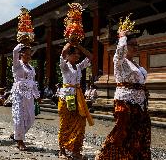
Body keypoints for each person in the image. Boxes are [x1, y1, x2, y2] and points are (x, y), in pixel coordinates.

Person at [96, 31, 151, 160]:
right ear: (125, 46)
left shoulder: (136, 64)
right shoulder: (120, 62)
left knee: (139, 131)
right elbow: (119, 53)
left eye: (136, 44)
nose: (135, 47)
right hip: (125, 101)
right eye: (132, 44)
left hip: (140, 103)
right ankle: (107, 156)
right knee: (122, 131)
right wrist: (122, 37)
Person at [58, 42, 93, 159]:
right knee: (66, 123)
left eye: (78, 54)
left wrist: (79, 46)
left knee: (80, 123)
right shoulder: (65, 66)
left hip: (78, 97)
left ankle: (75, 150)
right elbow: (62, 53)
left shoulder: (78, 67)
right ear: (68, 55)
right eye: (74, 54)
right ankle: (62, 150)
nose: (77, 56)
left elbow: (90, 57)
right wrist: (70, 42)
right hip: (67, 97)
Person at [11, 43, 40, 150]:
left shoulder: (32, 68)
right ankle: (20, 141)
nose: (28, 56)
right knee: (19, 117)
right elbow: (14, 52)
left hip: (29, 96)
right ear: (21, 54)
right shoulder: (17, 64)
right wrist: (23, 42)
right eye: (26, 53)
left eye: (30, 54)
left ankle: (16, 134)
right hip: (18, 94)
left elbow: (33, 82)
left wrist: (37, 95)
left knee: (31, 118)